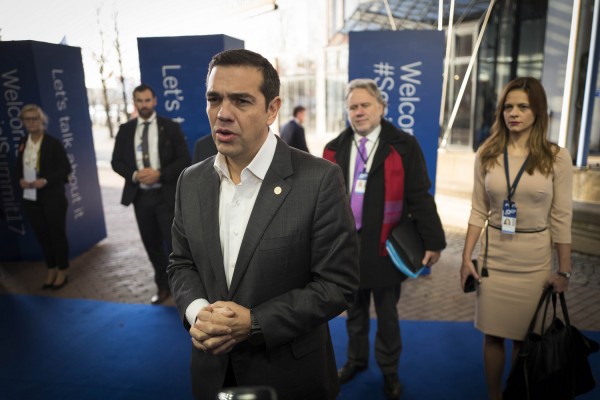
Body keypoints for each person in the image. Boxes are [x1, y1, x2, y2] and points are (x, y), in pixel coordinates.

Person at [167, 49, 359, 400]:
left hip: (289, 378)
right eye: (214, 99)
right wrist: (198, 313)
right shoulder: (190, 181)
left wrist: (255, 323)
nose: (223, 113)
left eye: (241, 101)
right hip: (212, 373)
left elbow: (337, 285)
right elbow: (181, 263)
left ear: (272, 109)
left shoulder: (319, 180)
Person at [323, 79, 446, 400]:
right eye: (353, 107)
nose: (359, 111)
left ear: (381, 107)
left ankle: (390, 371)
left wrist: (433, 241)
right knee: (354, 313)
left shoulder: (403, 145)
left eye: (365, 105)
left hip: (386, 247)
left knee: (388, 316)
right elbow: (323, 204)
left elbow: (420, 195)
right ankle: (356, 361)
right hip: (347, 248)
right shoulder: (334, 149)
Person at [459, 77, 573, 400]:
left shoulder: (556, 157)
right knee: (493, 336)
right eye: (508, 107)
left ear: (538, 111)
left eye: (523, 107)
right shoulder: (487, 153)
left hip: (534, 262)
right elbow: (477, 210)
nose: (514, 113)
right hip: (494, 261)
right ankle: (495, 396)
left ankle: (517, 395)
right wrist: (466, 258)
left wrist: (564, 270)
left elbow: (562, 218)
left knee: (525, 340)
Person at [111, 84, 190, 305]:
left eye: (147, 100)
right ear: (135, 102)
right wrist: (135, 175)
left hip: (165, 196)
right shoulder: (125, 130)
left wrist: (160, 174)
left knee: (174, 246)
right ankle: (162, 287)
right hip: (141, 198)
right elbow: (116, 162)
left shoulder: (170, 127)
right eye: (140, 101)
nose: (144, 105)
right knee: (151, 245)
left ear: (154, 101)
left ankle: (182, 288)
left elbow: (185, 159)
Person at [16, 104, 72, 289]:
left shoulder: (53, 143)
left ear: (42, 120)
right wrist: (20, 179)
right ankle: (51, 268)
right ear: (23, 122)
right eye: (27, 119)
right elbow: (18, 167)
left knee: (57, 234)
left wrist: (46, 180)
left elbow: (66, 169)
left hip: (52, 197)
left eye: (35, 119)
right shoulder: (23, 143)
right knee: (42, 235)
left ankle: (62, 270)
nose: (32, 123)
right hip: (31, 197)